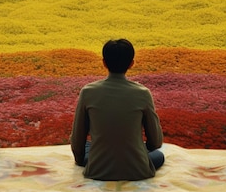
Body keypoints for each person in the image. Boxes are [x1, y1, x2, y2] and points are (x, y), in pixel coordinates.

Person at [70, 39, 164, 181]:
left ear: (104, 62)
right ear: (131, 63)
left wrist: (79, 160)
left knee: (91, 146)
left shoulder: (88, 92)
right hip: (138, 170)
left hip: (97, 170)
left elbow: (78, 139)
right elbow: (156, 142)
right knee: (159, 156)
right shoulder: (142, 93)